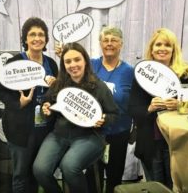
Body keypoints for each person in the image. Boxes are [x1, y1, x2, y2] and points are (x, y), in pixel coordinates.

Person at [55, 26, 134, 193]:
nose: (109, 43)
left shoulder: (130, 72)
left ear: (121, 44)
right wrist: (64, 55)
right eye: (105, 40)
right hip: (92, 133)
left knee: (115, 175)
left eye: (114, 40)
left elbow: (134, 101)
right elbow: (72, 70)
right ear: (100, 43)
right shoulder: (90, 65)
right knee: (92, 176)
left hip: (119, 131)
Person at [33, 42, 119, 193]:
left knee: (69, 167)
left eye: (77, 59)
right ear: (64, 64)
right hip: (59, 134)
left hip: (89, 136)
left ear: (85, 60)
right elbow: (47, 103)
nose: (73, 65)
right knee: (40, 170)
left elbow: (114, 115)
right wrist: (46, 108)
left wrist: (103, 119)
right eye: (68, 61)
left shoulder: (99, 87)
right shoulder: (59, 84)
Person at [128, 28, 188, 188]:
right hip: (150, 142)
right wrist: (149, 108)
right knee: (155, 186)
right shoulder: (142, 74)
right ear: (152, 49)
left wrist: (181, 104)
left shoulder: (186, 72)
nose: (162, 48)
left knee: (176, 185)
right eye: (158, 44)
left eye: (167, 45)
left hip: (179, 142)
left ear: (173, 49)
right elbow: (133, 109)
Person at [0, 17, 58, 193]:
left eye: (41, 34)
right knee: (21, 175)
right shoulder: (15, 62)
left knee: (37, 172)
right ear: (25, 38)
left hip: (45, 129)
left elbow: (57, 95)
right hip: (20, 130)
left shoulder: (51, 63)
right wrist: (18, 103)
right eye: (32, 34)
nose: (37, 38)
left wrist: (54, 87)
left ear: (45, 39)